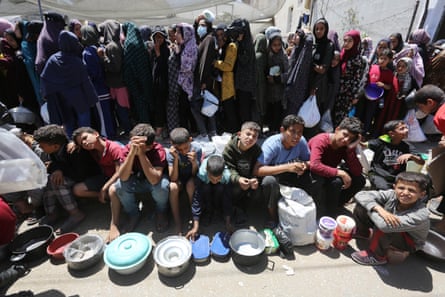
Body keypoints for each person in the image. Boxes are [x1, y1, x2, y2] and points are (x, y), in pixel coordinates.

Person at [351, 172, 430, 266]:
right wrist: (377, 208)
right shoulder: (392, 194)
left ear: (422, 194)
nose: (405, 193)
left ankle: (378, 256)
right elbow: (360, 195)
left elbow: (384, 226)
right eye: (401, 188)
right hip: (390, 226)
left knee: (387, 225)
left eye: (411, 190)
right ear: (394, 187)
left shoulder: (421, 213)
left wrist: (370, 208)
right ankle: (362, 232)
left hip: (408, 242)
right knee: (363, 205)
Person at [33, 124, 101, 234]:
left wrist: (60, 171)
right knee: (50, 179)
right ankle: (52, 213)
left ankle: (76, 214)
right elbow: (55, 164)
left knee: (57, 182)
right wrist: (56, 169)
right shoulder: (54, 152)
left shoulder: (74, 151)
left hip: (88, 177)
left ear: (54, 146)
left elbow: (80, 174)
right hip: (73, 175)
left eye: (42, 146)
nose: (40, 148)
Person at [108, 123, 169, 242]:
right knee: (120, 186)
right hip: (136, 181)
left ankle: (161, 212)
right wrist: (131, 153)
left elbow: (154, 179)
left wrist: (141, 154)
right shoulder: (127, 149)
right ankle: (133, 214)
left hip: (152, 182)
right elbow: (124, 177)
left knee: (162, 186)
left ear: (150, 146)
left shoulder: (157, 150)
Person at [253, 115, 313, 227]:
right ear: (282, 130)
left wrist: (304, 166)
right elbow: (257, 170)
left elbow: (310, 162)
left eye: (300, 132)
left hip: (291, 175)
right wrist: (287, 167)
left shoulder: (301, 141)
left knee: (311, 176)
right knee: (269, 181)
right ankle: (273, 217)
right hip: (275, 175)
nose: (296, 136)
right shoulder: (272, 144)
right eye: (292, 131)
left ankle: (305, 212)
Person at [40, 30, 98, 137]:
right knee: (84, 127)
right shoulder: (76, 61)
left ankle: (73, 146)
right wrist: (92, 100)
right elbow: (86, 82)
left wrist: (48, 95)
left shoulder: (53, 60)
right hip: (80, 100)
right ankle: (86, 146)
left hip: (62, 101)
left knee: (68, 124)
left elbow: (45, 78)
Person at [308, 117, 366, 217]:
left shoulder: (345, 146)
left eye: (351, 139)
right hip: (312, 173)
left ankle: (336, 205)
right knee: (336, 182)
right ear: (337, 129)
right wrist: (340, 173)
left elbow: (357, 171)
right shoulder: (321, 140)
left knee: (360, 180)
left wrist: (350, 150)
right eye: (345, 135)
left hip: (329, 172)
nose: (346, 140)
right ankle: (328, 212)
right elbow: (315, 165)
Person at [414, 85, 445, 234]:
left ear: (430, 102)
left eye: (421, 107)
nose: (421, 111)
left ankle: (442, 228)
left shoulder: (441, 116)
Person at [364, 120, 424, 190]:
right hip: (378, 175)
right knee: (385, 189)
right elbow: (363, 145)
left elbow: (421, 162)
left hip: (397, 178)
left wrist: (411, 156)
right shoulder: (380, 142)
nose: (407, 130)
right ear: (392, 133)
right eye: (402, 129)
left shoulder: (407, 146)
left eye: (406, 128)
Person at [71, 127, 124, 203]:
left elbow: (119, 173)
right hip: (106, 177)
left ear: (96, 134)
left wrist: (104, 188)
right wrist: (72, 143)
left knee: (114, 188)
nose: (84, 143)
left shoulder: (114, 147)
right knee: (77, 189)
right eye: (81, 143)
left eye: (85, 138)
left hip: (120, 179)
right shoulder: (93, 151)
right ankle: (107, 197)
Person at [186, 155, 233, 240]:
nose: (215, 181)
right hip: (205, 184)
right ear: (207, 171)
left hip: (220, 187)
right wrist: (195, 226)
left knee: (219, 188)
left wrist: (228, 222)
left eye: (217, 179)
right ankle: (208, 211)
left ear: (222, 173)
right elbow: (197, 199)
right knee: (206, 188)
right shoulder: (201, 174)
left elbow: (228, 199)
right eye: (212, 178)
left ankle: (217, 211)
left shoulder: (227, 176)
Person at [222, 121, 262, 223]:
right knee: (234, 189)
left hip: (249, 180)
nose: (250, 138)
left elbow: (259, 167)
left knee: (257, 191)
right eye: (248, 134)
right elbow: (227, 168)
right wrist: (238, 179)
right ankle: (235, 209)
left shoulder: (257, 150)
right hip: (236, 180)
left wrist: (254, 179)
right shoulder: (229, 149)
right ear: (239, 134)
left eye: (254, 136)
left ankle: (244, 209)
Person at [167, 127, 202, 234]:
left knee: (190, 185)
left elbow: (195, 174)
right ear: (172, 145)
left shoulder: (196, 149)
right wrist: (176, 159)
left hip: (190, 178)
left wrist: (194, 162)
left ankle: (194, 217)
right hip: (179, 179)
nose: (183, 151)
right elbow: (173, 178)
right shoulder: (171, 154)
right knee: (173, 187)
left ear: (190, 140)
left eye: (186, 148)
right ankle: (178, 221)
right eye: (179, 149)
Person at [333, 30, 368, 126]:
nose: (346, 44)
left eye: (349, 41)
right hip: (336, 90)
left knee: (340, 118)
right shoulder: (343, 54)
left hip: (347, 95)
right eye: (345, 41)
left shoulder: (357, 59)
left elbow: (357, 80)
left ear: (356, 42)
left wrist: (355, 96)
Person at [264, 27, 288, 134]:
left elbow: (288, 74)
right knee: (270, 112)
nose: (277, 47)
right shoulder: (267, 55)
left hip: (279, 91)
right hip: (269, 91)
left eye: (279, 45)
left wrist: (277, 79)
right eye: (274, 45)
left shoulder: (283, 57)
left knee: (278, 112)